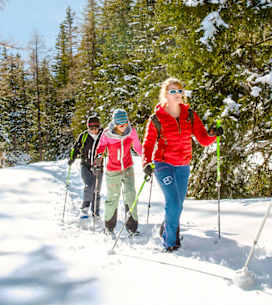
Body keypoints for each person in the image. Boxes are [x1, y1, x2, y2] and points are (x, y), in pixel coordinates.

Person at [142, 78, 223, 252]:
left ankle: (166, 226)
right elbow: (148, 143)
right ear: (165, 95)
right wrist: (146, 162)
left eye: (179, 91)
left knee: (178, 203)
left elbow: (202, 139)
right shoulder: (156, 118)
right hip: (163, 164)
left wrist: (213, 134)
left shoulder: (190, 115)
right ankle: (170, 242)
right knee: (173, 202)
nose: (177, 94)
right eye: (172, 91)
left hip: (183, 165)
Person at [96, 109, 143, 235]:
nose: (124, 127)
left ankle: (132, 228)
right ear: (115, 124)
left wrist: (146, 159)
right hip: (113, 170)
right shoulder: (107, 134)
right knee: (112, 198)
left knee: (131, 196)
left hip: (128, 168)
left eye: (126, 124)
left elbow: (138, 146)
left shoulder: (131, 131)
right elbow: (100, 147)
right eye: (121, 125)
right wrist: (98, 158)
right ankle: (109, 227)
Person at [69, 115, 104, 218]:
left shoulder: (103, 136)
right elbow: (76, 147)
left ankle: (95, 212)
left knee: (96, 190)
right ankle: (85, 208)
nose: (93, 131)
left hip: (98, 167)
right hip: (86, 165)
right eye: (91, 128)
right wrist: (72, 157)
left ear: (99, 127)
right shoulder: (84, 136)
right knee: (89, 186)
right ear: (88, 127)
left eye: (96, 128)